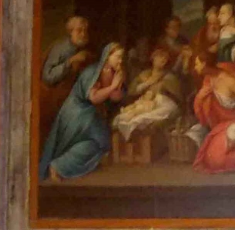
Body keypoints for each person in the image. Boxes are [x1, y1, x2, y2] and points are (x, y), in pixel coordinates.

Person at [40, 43, 125, 182]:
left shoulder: (113, 72)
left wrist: (118, 84)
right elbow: (94, 97)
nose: (120, 61)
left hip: (89, 114)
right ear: (107, 56)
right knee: (98, 141)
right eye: (118, 57)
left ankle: (63, 165)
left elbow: (115, 97)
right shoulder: (92, 72)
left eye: (122, 58)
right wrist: (113, 86)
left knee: (102, 142)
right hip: (76, 112)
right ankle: (59, 166)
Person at [113, 46, 183, 141]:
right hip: (144, 104)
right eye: (160, 56)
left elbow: (177, 98)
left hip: (161, 105)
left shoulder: (169, 77)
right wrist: (147, 83)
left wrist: (162, 88)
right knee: (122, 118)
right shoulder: (144, 75)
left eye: (165, 58)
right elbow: (132, 91)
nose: (163, 59)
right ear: (153, 58)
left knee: (141, 119)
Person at [42, 15, 92, 86]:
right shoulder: (60, 48)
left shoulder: (86, 49)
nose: (83, 34)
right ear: (71, 32)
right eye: (79, 30)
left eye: (85, 31)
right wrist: (71, 61)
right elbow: (48, 77)